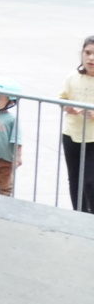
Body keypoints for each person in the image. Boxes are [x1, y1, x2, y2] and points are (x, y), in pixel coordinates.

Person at [59, 36, 94, 213]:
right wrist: (68, 107)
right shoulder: (72, 77)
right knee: (74, 179)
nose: (91, 58)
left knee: (90, 180)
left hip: (92, 139)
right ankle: (79, 214)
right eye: (87, 53)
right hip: (71, 134)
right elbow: (62, 98)